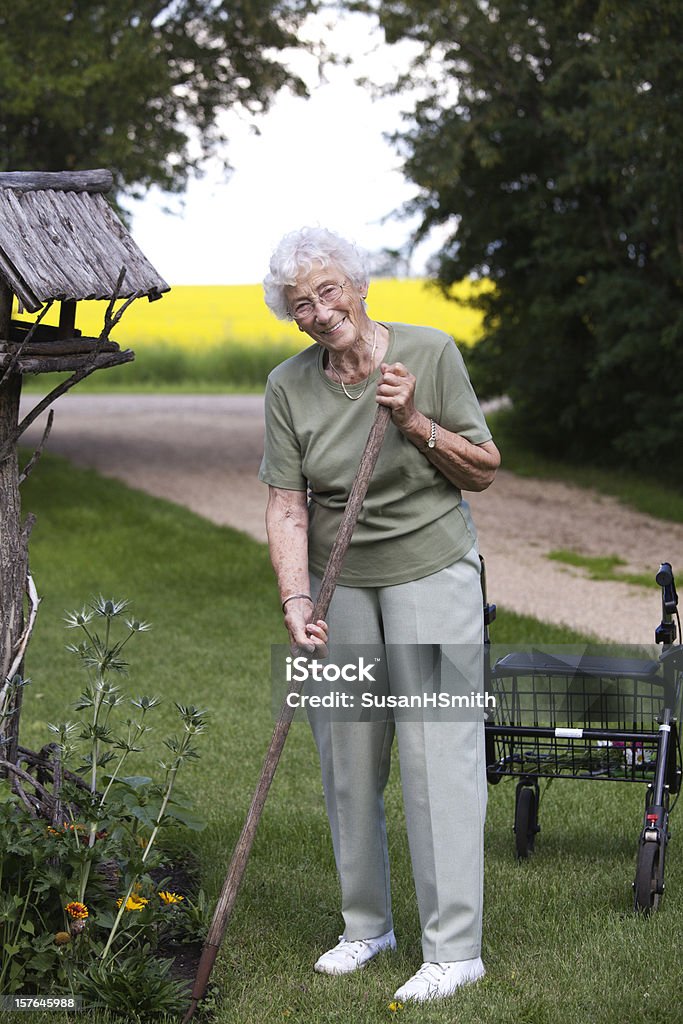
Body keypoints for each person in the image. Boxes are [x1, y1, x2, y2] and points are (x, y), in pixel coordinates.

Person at [259, 226, 500, 1003]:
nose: (320, 311)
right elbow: (286, 505)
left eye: (329, 291)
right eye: (302, 304)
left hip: (431, 570)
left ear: (357, 286)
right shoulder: (288, 387)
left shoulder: (427, 355)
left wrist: (415, 423)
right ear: (292, 318)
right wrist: (296, 601)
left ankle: (455, 948)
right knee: (348, 757)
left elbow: (484, 468)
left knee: (439, 756)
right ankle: (367, 926)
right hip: (339, 586)